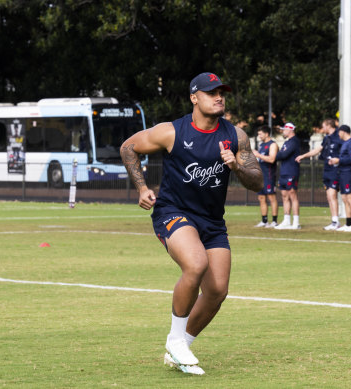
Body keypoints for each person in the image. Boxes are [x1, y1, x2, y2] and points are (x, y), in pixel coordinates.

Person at [120, 72, 263, 374]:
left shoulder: (236, 136)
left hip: (212, 220)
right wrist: (142, 187)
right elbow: (128, 148)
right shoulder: (172, 131)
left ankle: (179, 347)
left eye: (222, 92)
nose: (219, 97)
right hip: (173, 211)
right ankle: (175, 339)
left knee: (217, 291)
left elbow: (258, 182)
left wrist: (236, 165)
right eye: (211, 93)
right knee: (196, 264)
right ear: (194, 97)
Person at [296, 118, 344, 230]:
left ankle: (338, 221)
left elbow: (344, 152)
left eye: (324, 126)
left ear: (328, 125)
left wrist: (339, 160)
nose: (322, 128)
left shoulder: (339, 137)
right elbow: (317, 150)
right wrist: (303, 156)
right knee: (329, 196)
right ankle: (334, 220)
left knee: (333, 195)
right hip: (327, 169)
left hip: (335, 170)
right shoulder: (326, 138)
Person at [328, 125, 351, 231]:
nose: (338, 134)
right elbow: (343, 158)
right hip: (342, 173)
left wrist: (339, 160)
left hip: (350, 174)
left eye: (339, 132)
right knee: (345, 199)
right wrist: (335, 161)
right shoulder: (345, 143)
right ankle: (348, 224)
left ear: (343, 132)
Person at [274, 122, 301, 229]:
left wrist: (278, 154)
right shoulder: (287, 142)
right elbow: (280, 155)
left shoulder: (294, 142)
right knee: (284, 196)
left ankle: (296, 221)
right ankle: (286, 220)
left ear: (290, 130)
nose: (283, 131)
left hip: (291, 171)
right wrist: (278, 154)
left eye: (284, 129)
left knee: (292, 195)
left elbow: (283, 154)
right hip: (284, 172)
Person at [252, 125, 279, 227]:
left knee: (271, 197)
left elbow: (272, 159)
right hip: (260, 176)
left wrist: (257, 155)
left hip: (269, 175)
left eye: (260, 134)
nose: (259, 136)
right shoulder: (262, 145)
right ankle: (264, 221)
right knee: (261, 198)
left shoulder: (273, 145)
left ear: (266, 133)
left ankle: (274, 221)